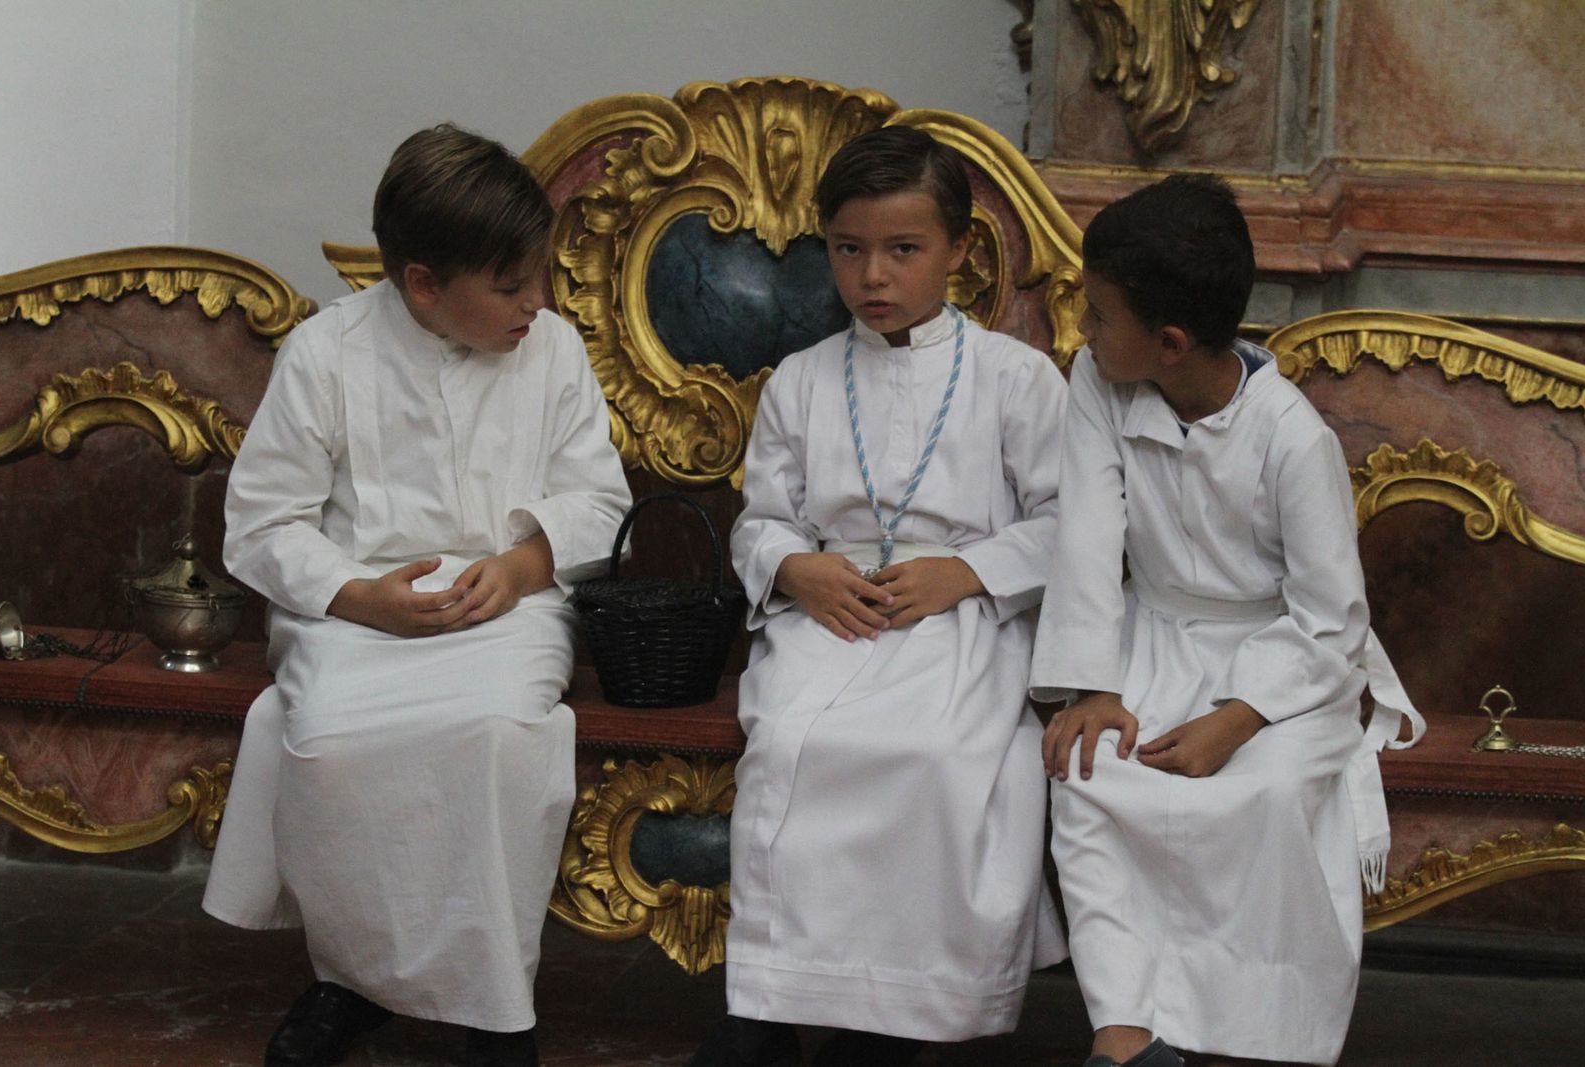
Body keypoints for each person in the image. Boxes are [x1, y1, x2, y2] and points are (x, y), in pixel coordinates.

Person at [202, 124, 632, 1067]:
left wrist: (521, 567)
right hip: (355, 612)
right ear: (425, 284)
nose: (537, 303)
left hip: (510, 608)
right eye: (512, 286)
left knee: (498, 736)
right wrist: (359, 596)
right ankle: (350, 980)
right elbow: (262, 526)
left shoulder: (553, 352)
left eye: (540, 278)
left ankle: (494, 1008)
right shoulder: (326, 353)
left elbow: (600, 497)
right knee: (324, 739)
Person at [689, 126, 1069, 1067]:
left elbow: (1073, 523)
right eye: (850, 249)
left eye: (904, 250)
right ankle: (770, 1008)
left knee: (942, 756)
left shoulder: (1016, 378)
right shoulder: (803, 381)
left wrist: (970, 571)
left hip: (960, 617)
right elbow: (761, 518)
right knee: (793, 742)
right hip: (835, 612)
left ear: (959, 251)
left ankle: (895, 1025)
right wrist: (793, 568)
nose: (874, 275)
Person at [1030, 174, 1423, 1067]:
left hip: (1283, 662)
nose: (1084, 333)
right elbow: (1087, 533)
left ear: (1167, 342)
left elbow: (1332, 619)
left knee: (1268, 792)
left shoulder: (1293, 439)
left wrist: (1236, 719)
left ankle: (1258, 1037)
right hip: (1149, 642)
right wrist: (1095, 685)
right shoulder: (1100, 381)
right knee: (1088, 775)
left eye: (1097, 315)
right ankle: (1126, 1033)